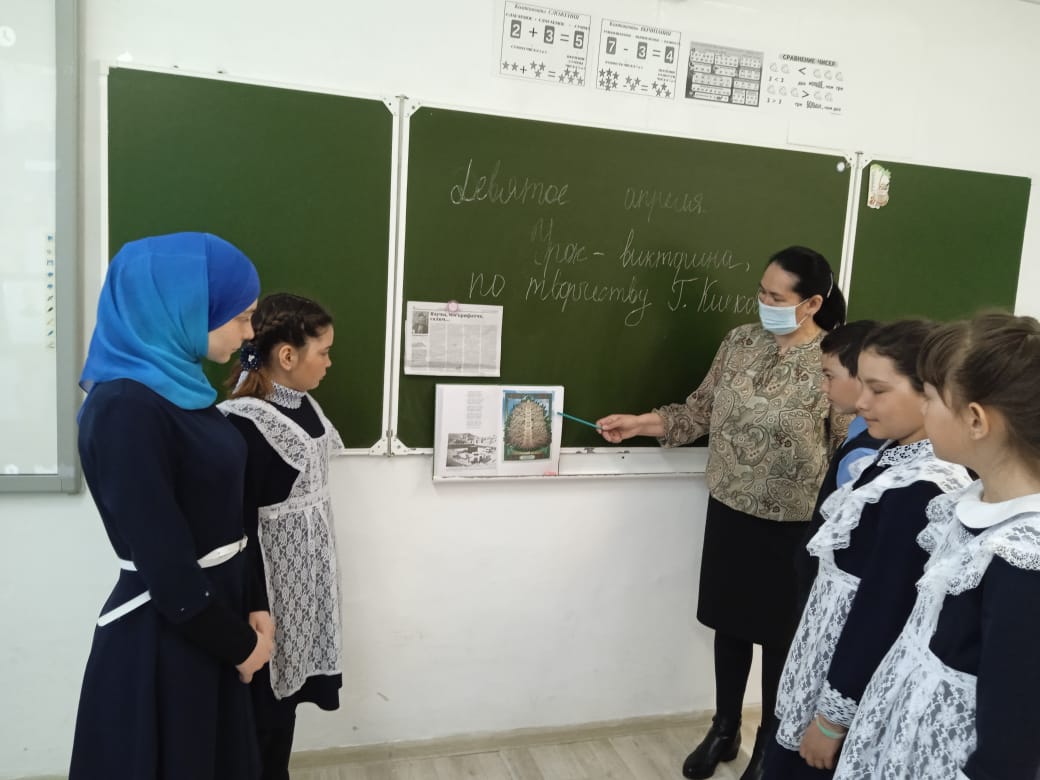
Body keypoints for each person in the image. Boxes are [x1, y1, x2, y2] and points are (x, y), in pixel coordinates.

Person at [597, 246, 848, 780]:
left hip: (795, 524)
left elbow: (847, 452)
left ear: (811, 304)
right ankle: (724, 727)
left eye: (776, 297)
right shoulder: (739, 342)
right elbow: (699, 413)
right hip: (730, 508)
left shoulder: (833, 362)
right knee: (729, 625)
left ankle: (769, 742)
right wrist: (640, 423)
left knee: (780, 637)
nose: (764, 303)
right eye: (761, 292)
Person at [70, 232, 273, 780]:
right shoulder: (123, 408)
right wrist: (240, 646)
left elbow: (230, 513)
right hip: (167, 636)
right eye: (242, 317)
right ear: (184, 306)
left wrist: (254, 600)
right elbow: (165, 562)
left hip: (213, 622)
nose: (249, 333)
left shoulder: (186, 392)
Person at [834, 313, 1040, 780]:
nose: (922, 409)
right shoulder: (970, 504)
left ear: (975, 420)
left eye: (928, 396)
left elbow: (1011, 746)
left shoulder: (1023, 559)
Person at [763, 320, 971, 779]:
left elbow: (882, 609)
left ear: (930, 393)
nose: (861, 403)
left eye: (878, 390)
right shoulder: (891, 456)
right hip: (825, 667)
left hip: (847, 689)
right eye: (861, 386)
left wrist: (832, 718)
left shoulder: (922, 489)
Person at [220, 293, 343, 780]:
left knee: (282, 714)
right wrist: (256, 606)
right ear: (287, 355)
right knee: (260, 717)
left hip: (304, 590)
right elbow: (237, 527)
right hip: (265, 596)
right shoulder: (244, 424)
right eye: (323, 352)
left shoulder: (305, 405)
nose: (329, 363)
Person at [793, 320, 885, 610]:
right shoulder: (862, 435)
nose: (823, 386)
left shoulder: (864, 457)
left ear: (864, 378)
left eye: (829, 376)